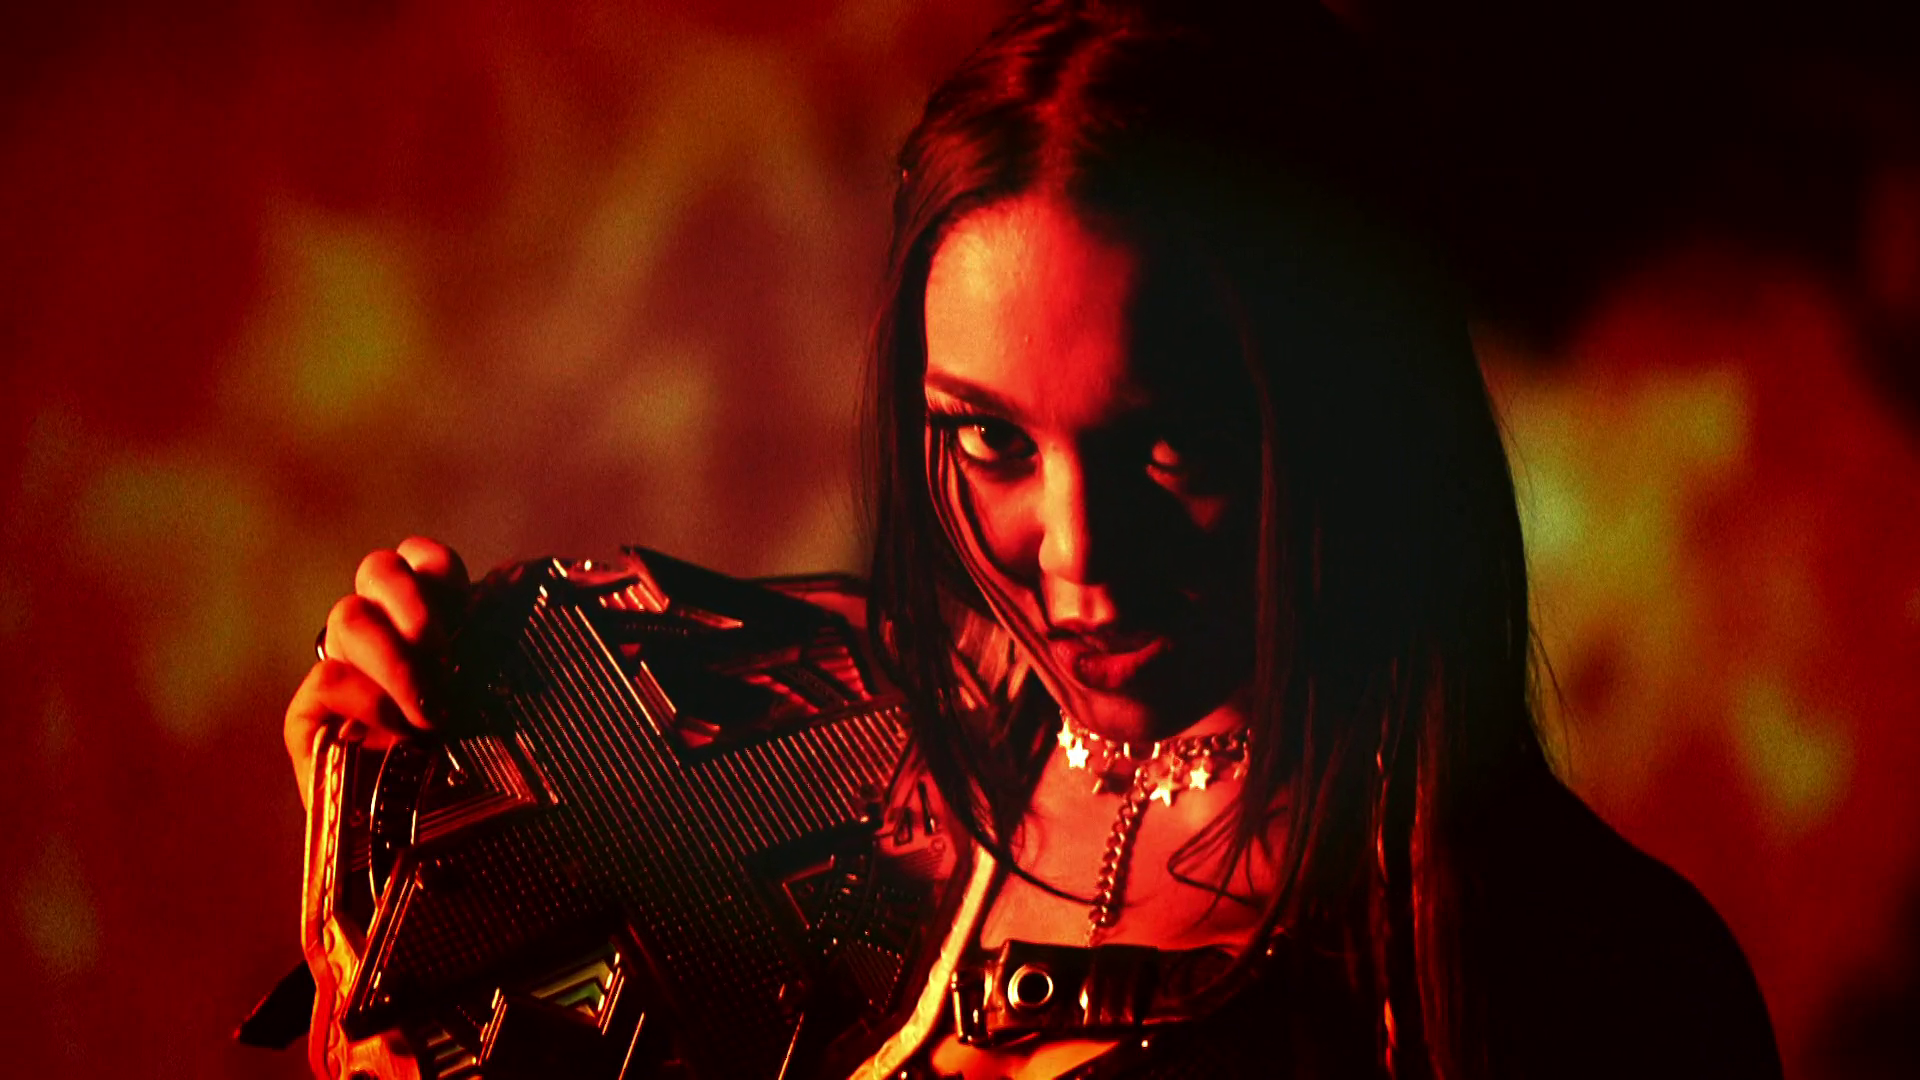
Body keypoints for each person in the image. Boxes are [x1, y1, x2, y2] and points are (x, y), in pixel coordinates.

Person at [282, 1, 1783, 1076]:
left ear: (1348, 409)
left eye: (1170, 448)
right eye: (991, 441)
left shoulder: (1585, 974)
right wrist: (388, 820)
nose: (1076, 559)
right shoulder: (785, 743)